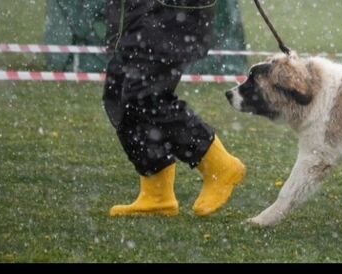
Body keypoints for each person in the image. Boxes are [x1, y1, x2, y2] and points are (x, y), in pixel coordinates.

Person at [102, 0, 245, 217]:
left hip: (170, 12)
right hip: (135, 14)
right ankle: (157, 195)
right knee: (119, 96)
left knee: (144, 96)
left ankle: (219, 166)